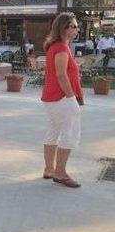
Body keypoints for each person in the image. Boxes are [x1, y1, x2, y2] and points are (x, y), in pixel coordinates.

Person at [41, 12, 83, 188]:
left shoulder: (58, 46)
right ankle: (60, 172)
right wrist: (71, 96)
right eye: (73, 26)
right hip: (61, 97)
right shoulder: (60, 48)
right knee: (69, 133)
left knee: (52, 132)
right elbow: (61, 75)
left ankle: (49, 169)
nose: (77, 29)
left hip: (51, 97)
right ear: (64, 28)